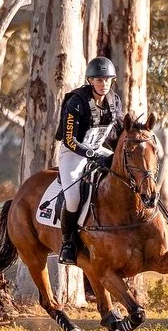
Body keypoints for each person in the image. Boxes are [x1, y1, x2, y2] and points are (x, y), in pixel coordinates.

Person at [53, 57, 124, 265]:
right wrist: (92, 155)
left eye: (107, 80)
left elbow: (119, 130)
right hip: (73, 153)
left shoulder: (114, 100)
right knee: (73, 198)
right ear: (90, 81)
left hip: (98, 147)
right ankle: (68, 244)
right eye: (99, 80)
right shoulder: (76, 102)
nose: (103, 84)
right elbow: (69, 139)